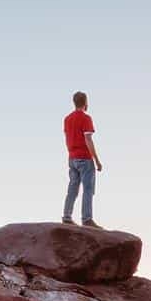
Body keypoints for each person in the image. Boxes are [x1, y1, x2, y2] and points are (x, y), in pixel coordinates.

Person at [63, 90, 102, 224]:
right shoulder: (86, 118)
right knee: (88, 188)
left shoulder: (67, 119)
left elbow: (67, 138)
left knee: (73, 188)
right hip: (84, 158)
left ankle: (66, 216)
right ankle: (87, 219)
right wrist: (96, 161)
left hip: (72, 158)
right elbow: (88, 140)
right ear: (85, 103)